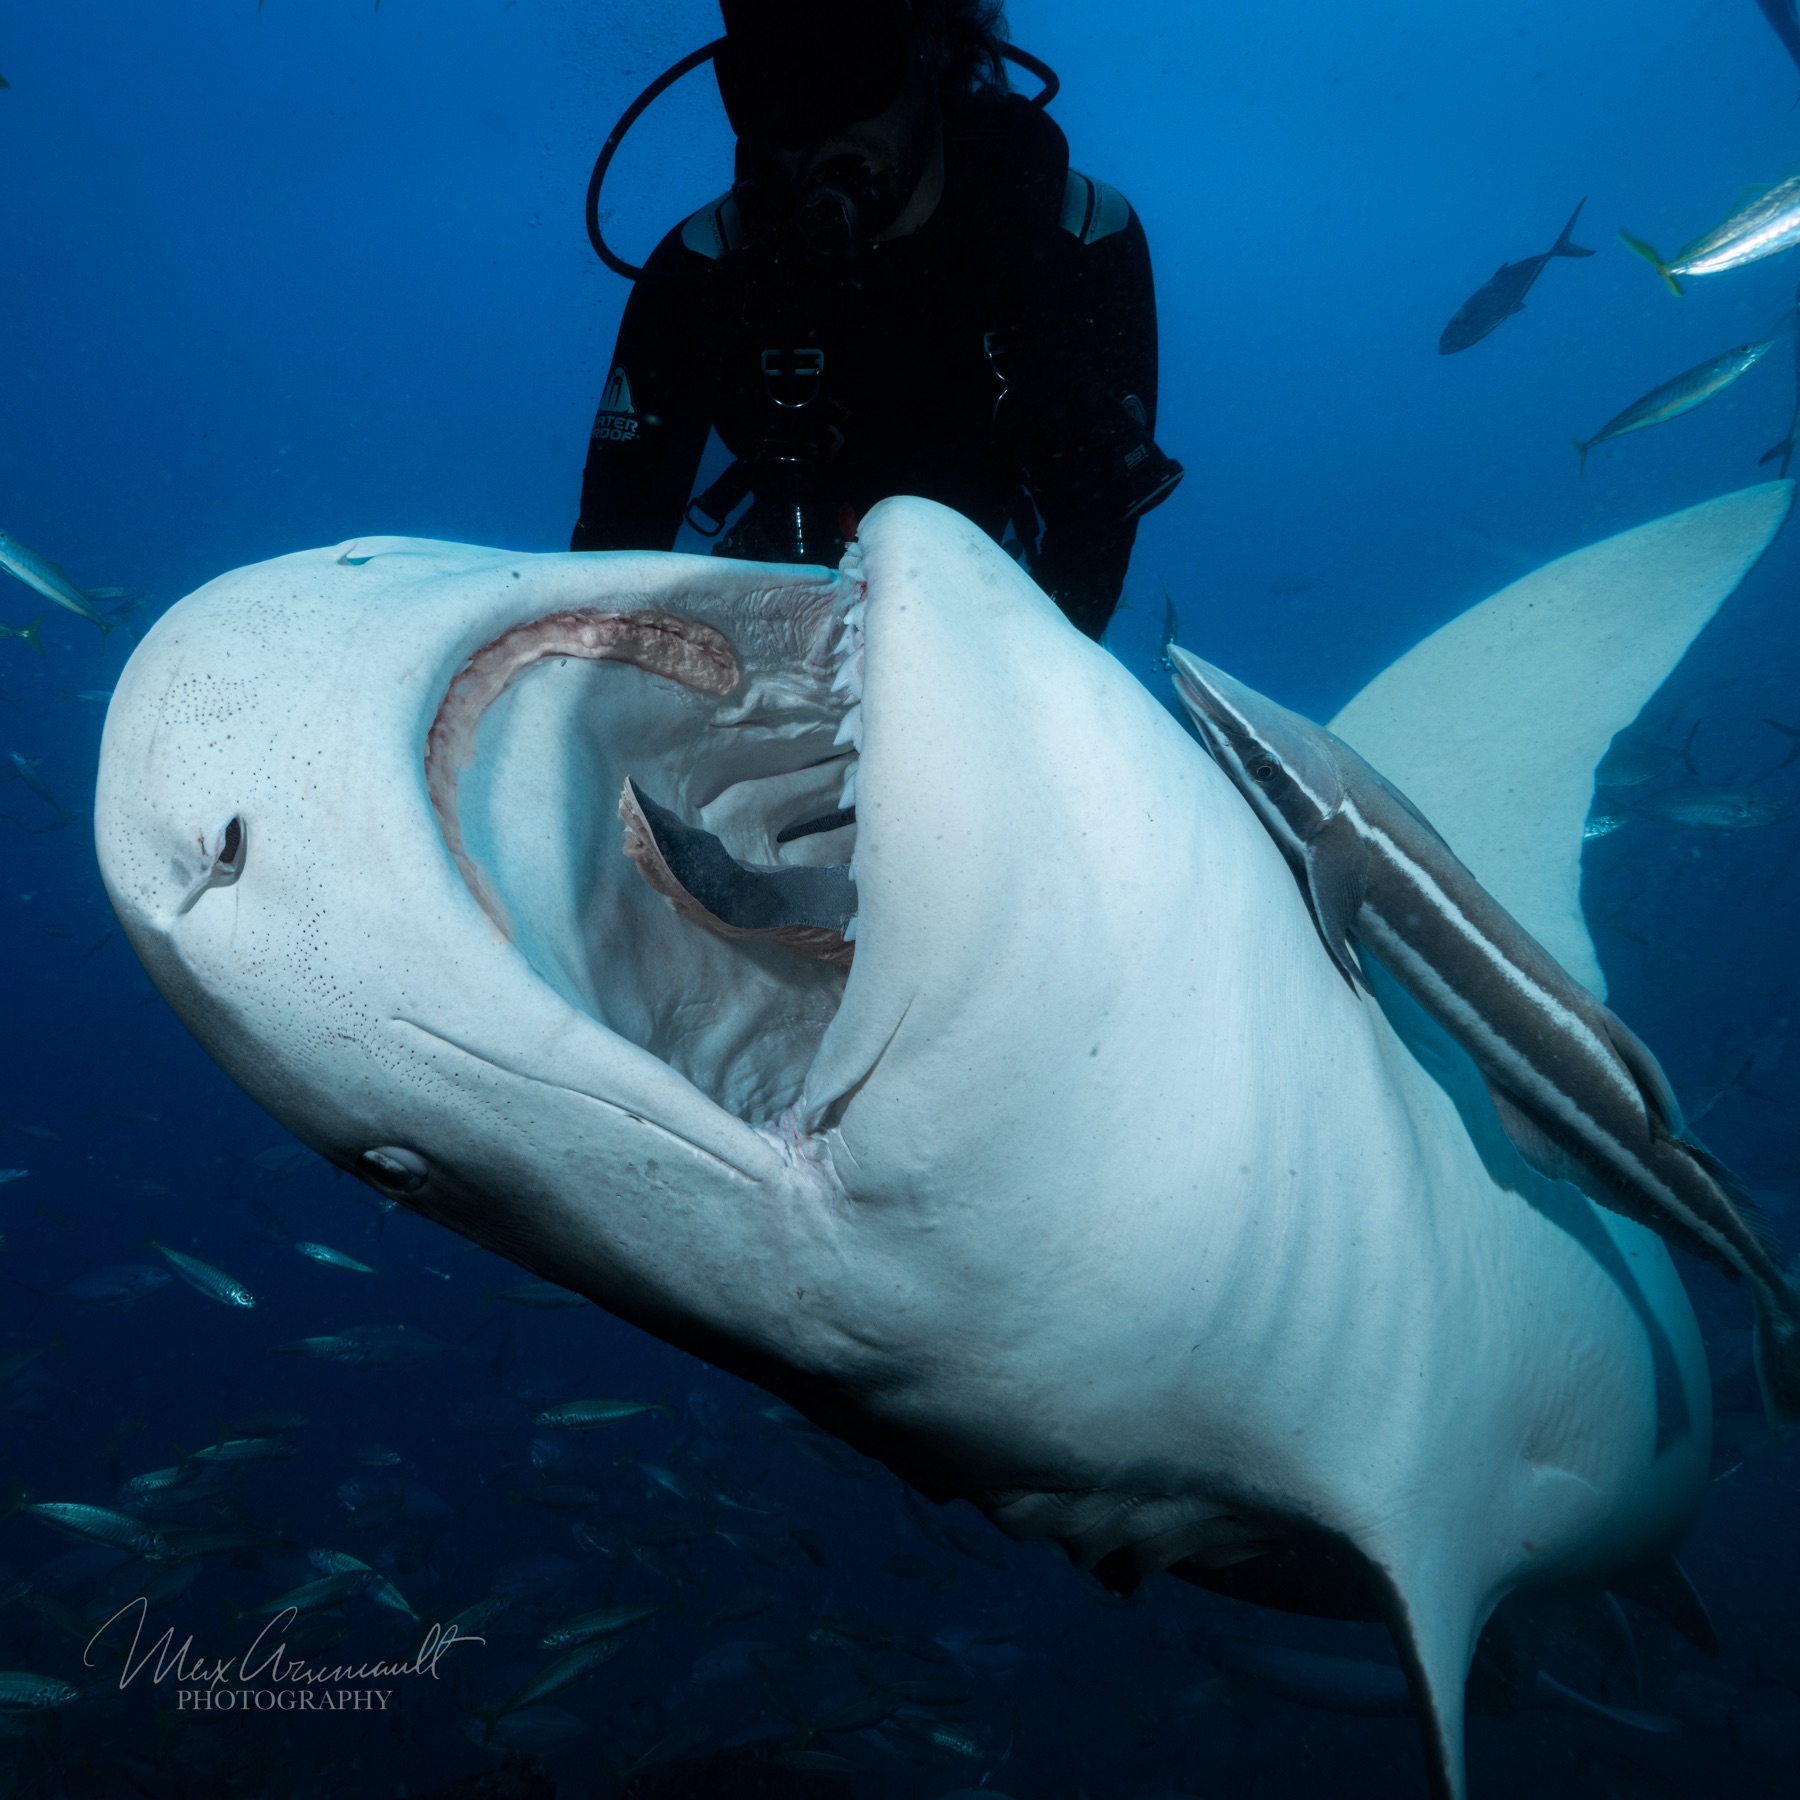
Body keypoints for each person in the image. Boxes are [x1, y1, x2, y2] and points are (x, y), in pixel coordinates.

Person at [571, 0, 1181, 642]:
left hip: (985, 630)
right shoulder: (703, 273)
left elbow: (1086, 574)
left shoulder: (1080, 242)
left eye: (856, 61)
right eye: (774, 82)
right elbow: (604, 571)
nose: (821, 117)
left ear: (934, 47)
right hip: (781, 617)